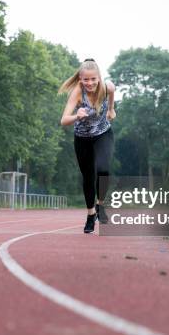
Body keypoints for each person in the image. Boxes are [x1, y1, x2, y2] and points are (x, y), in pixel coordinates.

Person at [59, 59, 116, 233]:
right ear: (80, 79)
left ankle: (100, 205)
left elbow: (112, 94)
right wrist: (77, 115)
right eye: (85, 80)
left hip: (103, 134)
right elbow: (63, 120)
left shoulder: (107, 87)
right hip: (82, 138)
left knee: (103, 169)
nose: (89, 83)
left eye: (93, 79)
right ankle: (91, 214)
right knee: (88, 176)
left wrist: (111, 109)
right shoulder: (77, 93)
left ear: (99, 77)